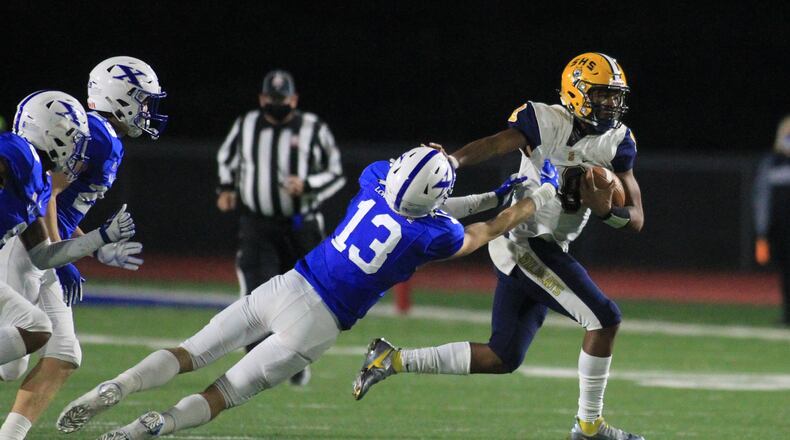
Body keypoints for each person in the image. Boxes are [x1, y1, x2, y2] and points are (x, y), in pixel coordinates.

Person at [56, 145, 558, 440]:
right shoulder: (431, 234)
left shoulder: (376, 176)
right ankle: (155, 425)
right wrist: (523, 204)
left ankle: (116, 388)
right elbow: (475, 232)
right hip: (316, 325)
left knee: (190, 352)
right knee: (224, 392)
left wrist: (493, 196)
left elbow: (432, 199)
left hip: (286, 286)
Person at [353, 53, 645, 440]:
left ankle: (391, 359)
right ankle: (589, 427)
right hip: (524, 241)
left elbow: (637, 216)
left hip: (547, 245)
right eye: (601, 95)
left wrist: (606, 211)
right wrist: (452, 162)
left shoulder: (618, 141)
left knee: (502, 356)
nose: (610, 104)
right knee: (605, 318)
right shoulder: (546, 120)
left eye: (614, 96)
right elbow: (494, 144)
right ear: (576, 92)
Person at [0, 90, 136, 440]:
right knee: (28, 340)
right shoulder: (19, 153)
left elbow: (44, 248)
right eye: (75, 139)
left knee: (50, 352)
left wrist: (95, 243)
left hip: (33, 253)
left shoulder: (37, 178)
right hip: (14, 256)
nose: (79, 150)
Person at [215, 69, 345, 385]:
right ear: (262, 99)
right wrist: (226, 188)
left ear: (294, 99)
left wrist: (309, 184)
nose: (276, 103)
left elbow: (336, 173)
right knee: (255, 295)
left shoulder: (313, 128)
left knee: (306, 296)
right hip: (258, 224)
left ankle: (295, 359)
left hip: (303, 226)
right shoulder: (246, 126)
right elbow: (226, 158)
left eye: (282, 99)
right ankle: (255, 365)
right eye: (271, 99)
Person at [754, 114, 790, 326]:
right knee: (786, 274)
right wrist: (762, 232)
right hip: (780, 231)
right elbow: (761, 199)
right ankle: (787, 315)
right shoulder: (771, 163)